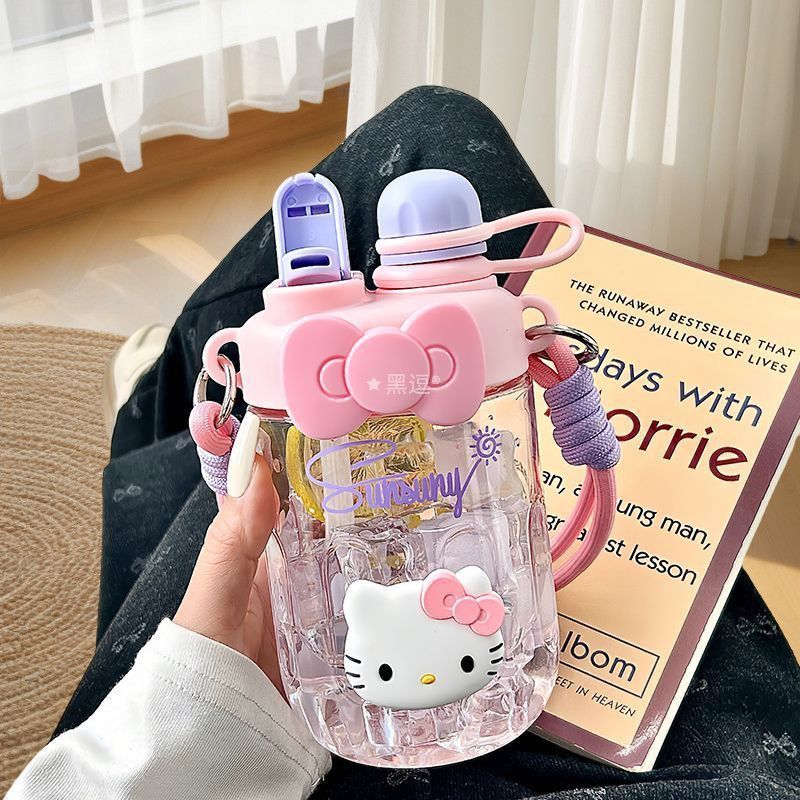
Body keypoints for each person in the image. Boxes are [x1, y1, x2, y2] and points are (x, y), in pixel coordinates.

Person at [7, 87, 800, 800]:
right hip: (446, 701)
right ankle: (162, 421)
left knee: (434, 128)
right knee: (441, 131)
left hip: (274, 721)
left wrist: (213, 709)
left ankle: (158, 416)